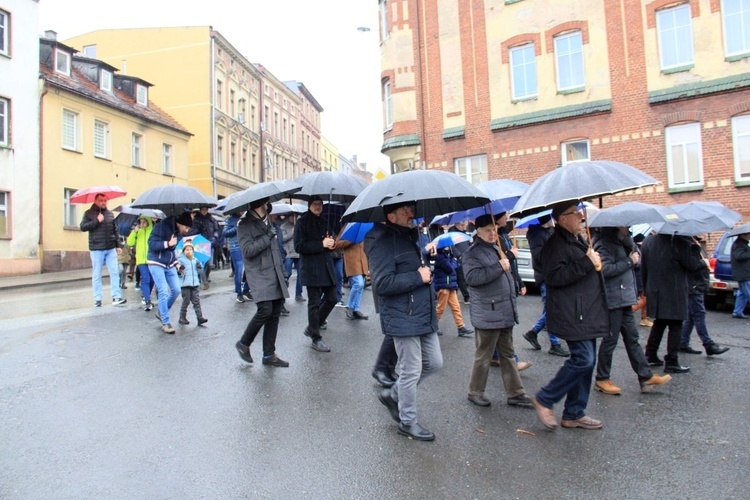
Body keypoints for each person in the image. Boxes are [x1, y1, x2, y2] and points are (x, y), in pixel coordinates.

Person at [530, 201, 608, 431]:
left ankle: (574, 412)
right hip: (572, 312)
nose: (581, 218)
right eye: (576, 214)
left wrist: (592, 259)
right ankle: (545, 398)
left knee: (588, 362)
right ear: (562, 218)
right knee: (583, 359)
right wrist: (586, 262)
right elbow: (555, 277)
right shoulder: (554, 245)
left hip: (586, 311)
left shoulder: (577, 239)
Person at [371, 202, 442, 441]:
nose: (411, 213)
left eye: (411, 209)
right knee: (411, 370)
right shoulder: (381, 242)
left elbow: (415, 267)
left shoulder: (412, 236)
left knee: (434, 362)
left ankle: (393, 394)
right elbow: (382, 284)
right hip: (402, 315)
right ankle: (407, 421)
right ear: (391, 216)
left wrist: (426, 257)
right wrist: (417, 276)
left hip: (423, 311)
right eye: (405, 211)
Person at [462, 214, 533, 408]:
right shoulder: (472, 253)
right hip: (488, 311)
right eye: (488, 230)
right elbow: (472, 278)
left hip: (503, 310)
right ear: (478, 232)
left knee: (508, 354)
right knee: (484, 355)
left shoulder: (496, 247)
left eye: (494, 229)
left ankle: (516, 393)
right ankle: (475, 392)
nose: (493, 233)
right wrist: (498, 267)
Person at [592, 227, 672, 395]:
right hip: (613, 299)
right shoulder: (604, 244)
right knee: (610, 341)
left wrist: (630, 245)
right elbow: (604, 270)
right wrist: (629, 261)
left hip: (625, 299)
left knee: (632, 339)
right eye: (625, 226)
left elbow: (636, 257)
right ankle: (602, 378)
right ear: (616, 226)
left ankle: (645, 376)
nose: (628, 228)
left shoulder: (623, 242)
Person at [234, 198, 290, 367]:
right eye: (266, 204)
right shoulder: (244, 225)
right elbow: (248, 250)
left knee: (274, 313)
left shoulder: (268, 223)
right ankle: (243, 343)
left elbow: (276, 250)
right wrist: (267, 236)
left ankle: (269, 354)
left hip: (274, 273)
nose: (268, 207)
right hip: (259, 273)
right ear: (259, 205)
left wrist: (283, 273)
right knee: (265, 310)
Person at [642, 233, 707, 373]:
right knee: (676, 325)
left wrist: (646, 289)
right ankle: (671, 361)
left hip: (655, 289)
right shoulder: (680, 241)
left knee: (659, 323)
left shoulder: (648, 241)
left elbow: (644, 267)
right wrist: (702, 259)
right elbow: (692, 264)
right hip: (674, 290)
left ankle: (650, 355)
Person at [522, 215, 570, 357]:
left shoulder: (549, 232)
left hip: (553, 275)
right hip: (545, 276)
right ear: (545, 220)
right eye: (551, 218)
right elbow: (539, 257)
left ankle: (533, 333)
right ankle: (554, 344)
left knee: (550, 309)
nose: (554, 220)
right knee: (552, 309)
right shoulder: (536, 235)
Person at [294, 196, 336, 353]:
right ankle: (316, 338)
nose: (318, 207)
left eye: (320, 204)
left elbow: (330, 239)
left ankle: (313, 327)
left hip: (326, 266)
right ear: (310, 205)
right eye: (315, 204)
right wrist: (321, 244)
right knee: (314, 303)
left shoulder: (325, 221)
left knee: (333, 298)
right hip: (312, 268)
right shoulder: (302, 222)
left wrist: (332, 243)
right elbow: (299, 246)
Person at [679, 237, 731, 356]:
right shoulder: (687, 244)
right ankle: (709, 345)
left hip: (696, 284)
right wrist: (704, 262)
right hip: (694, 285)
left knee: (691, 316)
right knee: (699, 314)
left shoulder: (692, 243)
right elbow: (690, 264)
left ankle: (683, 343)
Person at [148, 211, 194, 334]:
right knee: (163, 290)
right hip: (155, 262)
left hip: (169, 263)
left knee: (176, 289)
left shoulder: (177, 232)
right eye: (186, 227)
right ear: (180, 223)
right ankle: (166, 322)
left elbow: (172, 251)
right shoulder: (161, 226)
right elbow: (151, 244)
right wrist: (167, 243)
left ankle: (162, 312)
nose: (187, 230)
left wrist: (177, 263)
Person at [365, 222, 398, 388]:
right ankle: (379, 369)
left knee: (396, 331)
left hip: (395, 286)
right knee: (392, 330)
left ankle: (389, 368)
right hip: (385, 286)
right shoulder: (375, 233)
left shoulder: (389, 231)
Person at [79, 193, 127, 307]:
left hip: (110, 248)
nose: (103, 202)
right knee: (97, 274)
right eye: (101, 200)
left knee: (115, 272)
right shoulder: (88, 213)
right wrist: (96, 221)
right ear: (95, 201)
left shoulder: (110, 214)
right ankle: (98, 299)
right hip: (96, 248)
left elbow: (115, 230)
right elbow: (82, 227)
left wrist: (118, 245)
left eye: (105, 200)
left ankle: (116, 296)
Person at [431, 244, 473, 337]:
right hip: (443, 286)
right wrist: (454, 260)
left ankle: (461, 327)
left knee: (456, 307)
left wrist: (453, 260)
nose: (449, 247)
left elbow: (455, 266)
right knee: (440, 308)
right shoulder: (440, 257)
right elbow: (450, 268)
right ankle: (433, 326)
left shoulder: (448, 255)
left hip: (451, 285)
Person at [335, 236, 369, 320]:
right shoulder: (348, 228)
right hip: (352, 261)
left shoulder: (364, 229)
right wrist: (351, 240)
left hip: (362, 261)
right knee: (358, 283)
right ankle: (350, 306)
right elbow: (337, 243)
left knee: (361, 286)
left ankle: (356, 309)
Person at [127, 215, 155, 311]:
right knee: (146, 279)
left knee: (152, 280)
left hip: (151, 259)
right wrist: (134, 232)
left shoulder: (152, 231)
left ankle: (146, 296)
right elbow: (130, 242)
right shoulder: (137, 231)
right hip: (141, 260)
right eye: (141, 222)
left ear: (148, 222)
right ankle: (147, 300)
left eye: (144, 222)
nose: (142, 224)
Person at [177, 241, 207, 326]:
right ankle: (182, 317)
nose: (189, 251)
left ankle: (200, 318)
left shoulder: (195, 260)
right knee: (186, 301)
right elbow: (179, 273)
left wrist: (199, 266)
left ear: (193, 251)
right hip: (185, 285)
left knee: (196, 301)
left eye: (190, 249)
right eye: (187, 250)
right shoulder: (181, 260)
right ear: (183, 251)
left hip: (195, 284)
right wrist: (180, 270)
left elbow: (200, 271)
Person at [223, 211, 251, 303]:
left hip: (246, 245)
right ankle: (239, 293)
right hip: (235, 247)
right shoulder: (230, 220)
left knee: (250, 269)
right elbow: (225, 233)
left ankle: (246, 290)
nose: (243, 211)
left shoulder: (247, 218)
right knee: (239, 271)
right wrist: (236, 227)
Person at [190, 207, 219, 289]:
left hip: (210, 244)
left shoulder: (212, 219)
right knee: (201, 264)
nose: (204, 211)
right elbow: (193, 231)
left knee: (210, 264)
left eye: (206, 209)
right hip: (200, 244)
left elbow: (216, 230)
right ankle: (205, 281)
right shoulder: (196, 220)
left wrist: (215, 237)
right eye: (202, 209)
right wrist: (199, 228)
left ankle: (205, 277)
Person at [281, 213, 305, 301]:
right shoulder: (283, 226)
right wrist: (292, 232)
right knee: (287, 273)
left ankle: (299, 294)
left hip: (298, 253)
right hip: (288, 253)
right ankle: (282, 294)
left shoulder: (299, 225)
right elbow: (282, 239)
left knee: (300, 274)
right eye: (292, 216)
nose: (294, 218)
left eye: (296, 216)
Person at [447, 220, 471, 303]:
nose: (463, 225)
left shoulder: (464, 232)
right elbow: (452, 246)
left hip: (467, 257)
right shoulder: (452, 232)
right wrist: (459, 255)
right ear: (456, 223)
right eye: (462, 224)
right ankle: (466, 296)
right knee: (461, 278)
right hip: (459, 258)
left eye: (464, 224)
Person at [731, 230, 750, 319]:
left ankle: (737, 311)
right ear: (743, 234)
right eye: (749, 234)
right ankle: (737, 312)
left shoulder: (741, 243)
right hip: (743, 273)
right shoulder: (739, 244)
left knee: (742, 293)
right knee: (748, 293)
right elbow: (739, 256)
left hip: (743, 272)